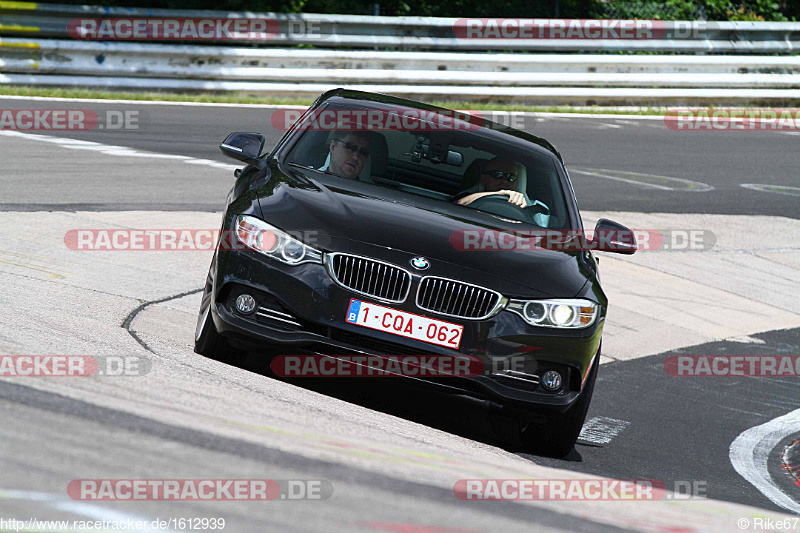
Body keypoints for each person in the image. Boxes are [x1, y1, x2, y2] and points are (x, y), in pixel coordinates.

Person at [456, 157, 527, 207]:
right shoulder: (469, 198)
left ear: (516, 184)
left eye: (511, 177)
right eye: (497, 174)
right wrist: (500, 193)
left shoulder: (527, 206)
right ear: (483, 180)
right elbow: (459, 203)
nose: (505, 181)